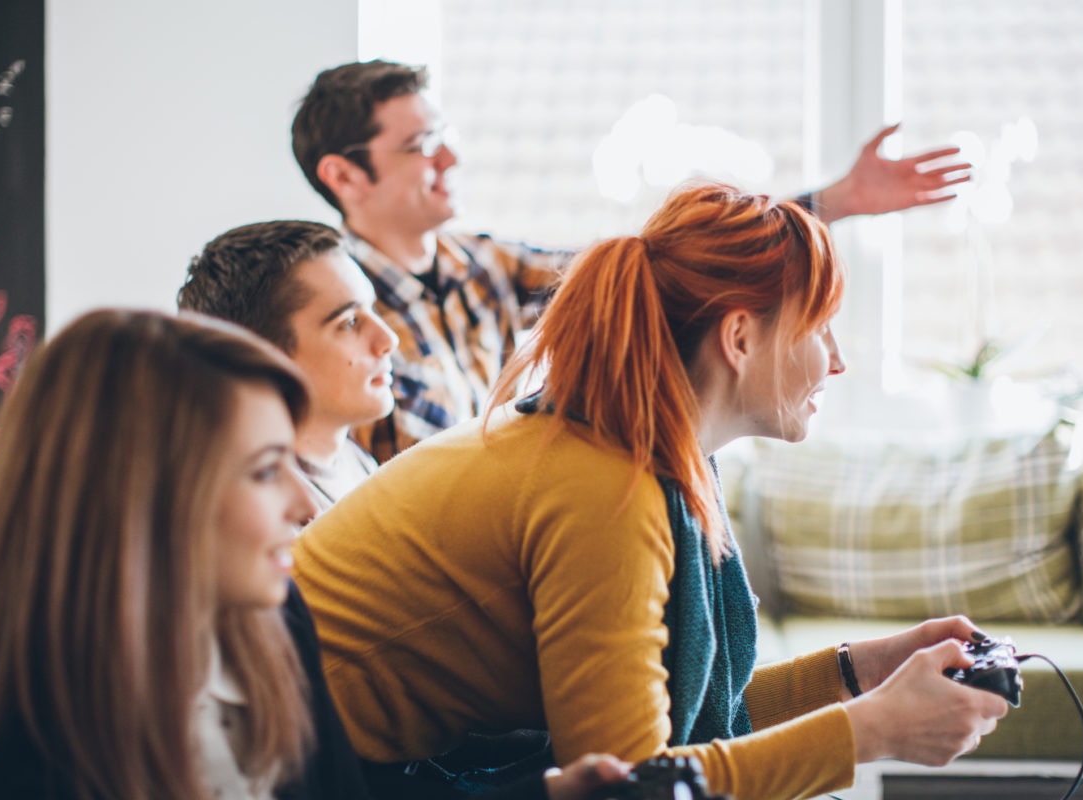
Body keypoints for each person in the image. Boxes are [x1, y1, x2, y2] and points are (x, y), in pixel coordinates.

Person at [291, 183, 1009, 800]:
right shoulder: (607, 489)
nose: (840, 360)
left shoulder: (622, 449)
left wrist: (855, 675)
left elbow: (676, 727)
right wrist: (874, 730)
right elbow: (635, 785)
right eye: (821, 327)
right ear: (739, 338)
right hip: (303, 771)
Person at [0, 309, 628, 800]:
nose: (306, 504)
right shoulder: (12, 711)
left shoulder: (276, 618)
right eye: (263, 471)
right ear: (142, 493)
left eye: (293, 463)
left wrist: (548, 793)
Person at [291, 59, 972, 462]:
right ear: (344, 177)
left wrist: (832, 202)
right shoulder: (326, 306)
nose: (451, 159)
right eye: (420, 146)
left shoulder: (483, 265)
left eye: (447, 137)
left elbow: (654, 265)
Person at [178, 220, 395, 512]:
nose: (388, 339)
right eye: (349, 323)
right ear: (265, 357)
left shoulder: (353, 460)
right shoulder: (257, 512)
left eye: (373, 309)